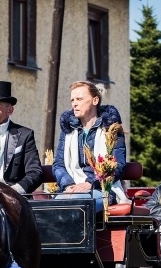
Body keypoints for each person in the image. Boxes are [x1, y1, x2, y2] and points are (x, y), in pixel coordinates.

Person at [51, 81, 127, 211]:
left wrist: (90, 183)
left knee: (77, 205)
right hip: (71, 190)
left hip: (103, 189)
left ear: (95, 100)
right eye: (72, 100)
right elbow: (58, 164)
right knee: (50, 209)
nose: (74, 103)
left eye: (79, 99)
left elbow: (117, 165)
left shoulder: (111, 128)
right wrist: (68, 185)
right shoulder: (68, 130)